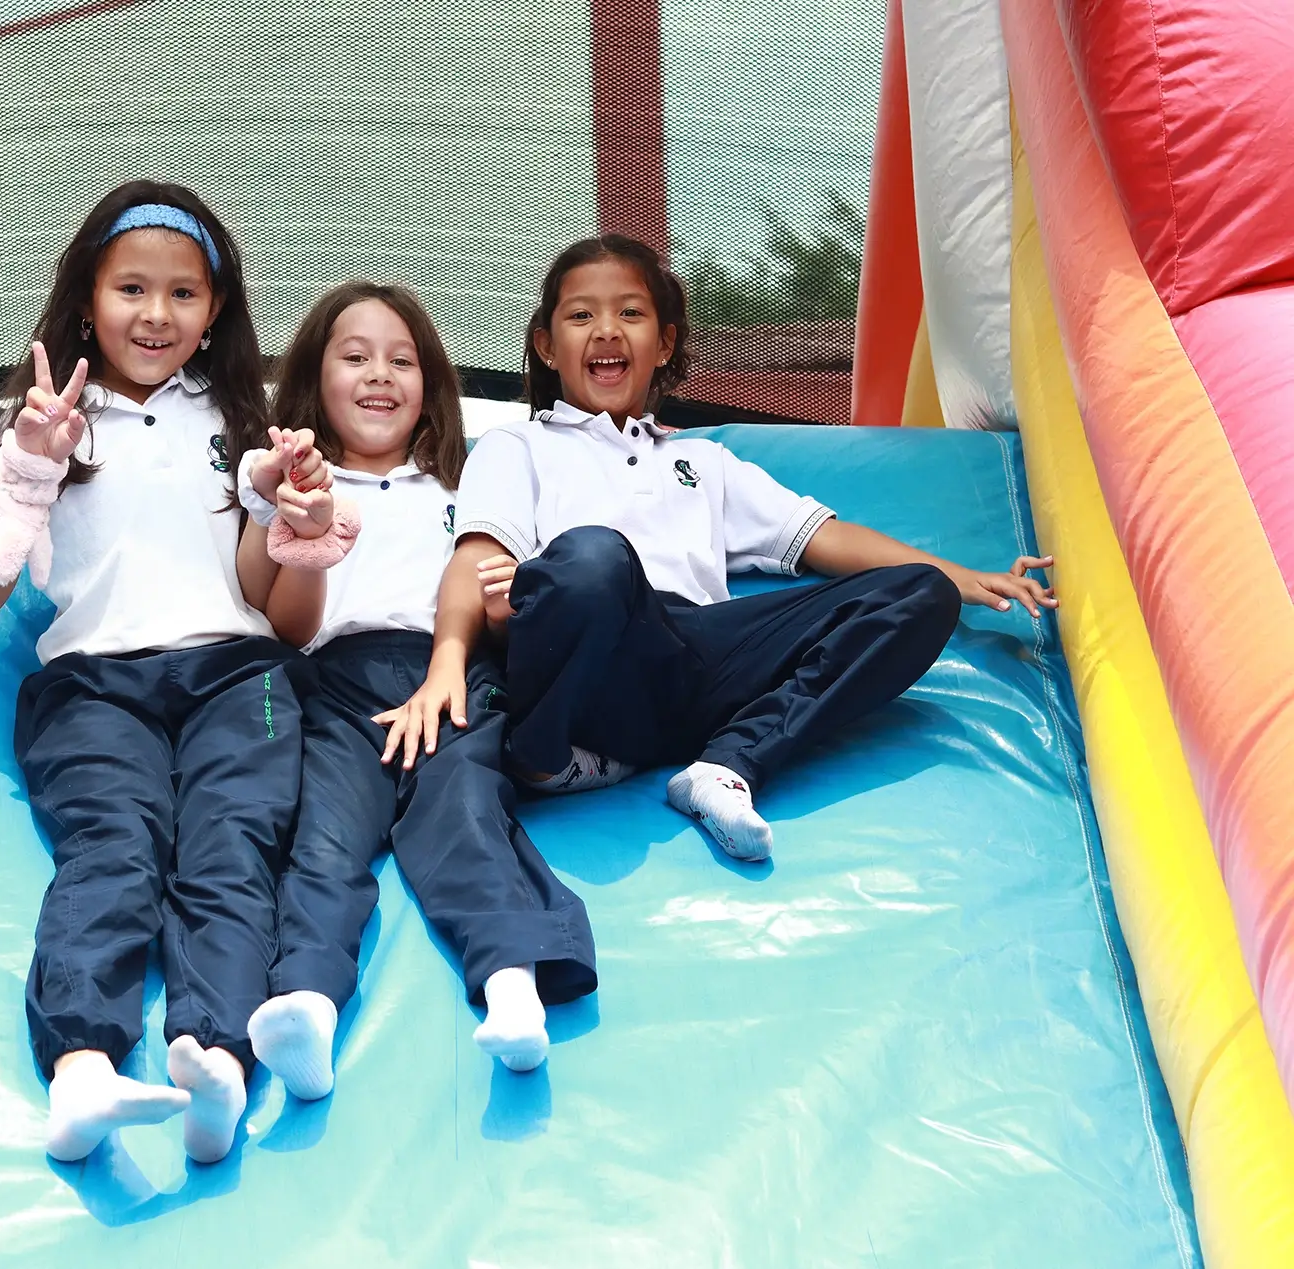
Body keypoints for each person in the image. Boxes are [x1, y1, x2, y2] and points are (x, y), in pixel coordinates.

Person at [385, 235, 1057, 863]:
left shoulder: (702, 461)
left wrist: (965, 578)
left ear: (664, 343)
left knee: (918, 592)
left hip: (700, 661)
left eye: (630, 313)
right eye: (581, 315)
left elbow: (827, 538)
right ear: (547, 346)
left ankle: (727, 764)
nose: (607, 330)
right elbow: (475, 560)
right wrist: (449, 659)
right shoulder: (519, 445)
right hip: (596, 651)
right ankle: (552, 756)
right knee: (593, 558)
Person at [0, 182, 301, 1166]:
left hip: (234, 674)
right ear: (87, 300)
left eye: (183, 294)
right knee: (115, 847)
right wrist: (31, 470)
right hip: (95, 684)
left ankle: (216, 1059)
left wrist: (280, 509)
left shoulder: (241, 418)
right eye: (131, 289)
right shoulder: (43, 421)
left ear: (215, 311)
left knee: (231, 847)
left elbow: (262, 590)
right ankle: (82, 1069)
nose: (156, 314)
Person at [233, 284, 597, 1100]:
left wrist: (499, 615)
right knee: (323, 835)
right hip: (336, 684)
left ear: (430, 385)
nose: (379, 375)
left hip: (453, 673)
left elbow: (503, 602)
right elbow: (276, 618)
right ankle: (308, 1002)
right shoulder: (295, 488)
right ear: (315, 378)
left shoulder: (465, 492)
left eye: (401, 361)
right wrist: (288, 519)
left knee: (465, 811)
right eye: (355, 357)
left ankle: (512, 987)